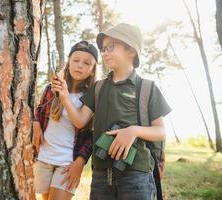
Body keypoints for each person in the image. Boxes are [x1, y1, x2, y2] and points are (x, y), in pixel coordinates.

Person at [52, 23, 172, 200]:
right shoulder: (98, 88)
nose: (105, 52)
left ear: (131, 50)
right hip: (101, 175)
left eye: (111, 47)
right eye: (104, 48)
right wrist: (64, 96)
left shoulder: (147, 88)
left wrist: (133, 131)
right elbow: (79, 120)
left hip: (136, 175)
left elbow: (161, 131)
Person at [33, 41, 98, 200]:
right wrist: (35, 124)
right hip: (44, 157)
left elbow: (90, 133)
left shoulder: (92, 97)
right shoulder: (51, 88)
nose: (80, 65)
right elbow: (40, 109)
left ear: (92, 71)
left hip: (68, 162)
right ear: (69, 62)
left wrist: (80, 162)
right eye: (76, 60)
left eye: (86, 63)